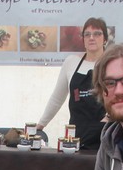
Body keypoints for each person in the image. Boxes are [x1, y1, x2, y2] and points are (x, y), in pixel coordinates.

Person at [37, 17, 109, 150]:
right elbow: (57, 98)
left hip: (106, 133)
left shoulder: (112, 64)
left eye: (97, 34)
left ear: (105, 39)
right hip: (76, 134)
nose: (91, 38)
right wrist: (40, 125)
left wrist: (107, 121)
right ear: (83, 40)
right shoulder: (71, 62)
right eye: (87, 34)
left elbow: (120, 96)